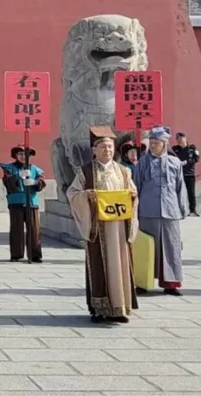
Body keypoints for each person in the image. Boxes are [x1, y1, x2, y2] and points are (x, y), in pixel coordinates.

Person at [66, 126, 138, 323]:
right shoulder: (86, 172)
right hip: (98, 228)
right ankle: (99, 309)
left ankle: (120, 308)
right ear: (95, 150)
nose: (107, 150)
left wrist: (133, 197)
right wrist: (85, 195)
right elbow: (72, 194)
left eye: (110, 147)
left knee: (121, 264)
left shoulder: (123, 172)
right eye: (103, 147)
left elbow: (133, 192)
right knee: (100, 265)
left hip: (119, 228)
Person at [135, 126, 187, 296]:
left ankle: (170, 283)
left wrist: (182, 208)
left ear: (165, 144)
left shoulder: (175, 163)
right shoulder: (143, 162)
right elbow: (136, 186)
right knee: (147, 248)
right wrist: (134, 209)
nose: (153, 146)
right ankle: (143, 282)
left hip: (170, 211)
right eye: (151, 143)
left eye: (157, 143)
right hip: (147, 210)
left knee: (171, 247)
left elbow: (180, 187)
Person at [0, 145, 45, 263]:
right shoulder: (9, 168)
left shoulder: (35, 169)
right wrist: (17, 176)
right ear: (16, 155)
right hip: (16, 202)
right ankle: (16, 254)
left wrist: (34, 182)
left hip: (31, 202)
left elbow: (41, 183)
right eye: (20, 154)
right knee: (16, 229)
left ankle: (35, 255)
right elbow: (7, 182)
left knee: (34, 229)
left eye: (25, 154)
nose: (23, 156)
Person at [170, 132, 200, 216]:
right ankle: (178, 209)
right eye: (177, 139)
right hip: (179, 174)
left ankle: (192, 210)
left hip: (189, 174)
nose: (179, 141)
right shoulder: (175, 149)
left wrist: (187, 162)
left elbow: (196, 159)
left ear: (185, 139)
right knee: (178, 193)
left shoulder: (192, 149)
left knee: (191, 193)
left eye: (180, 139)